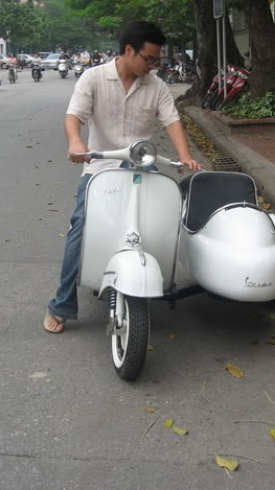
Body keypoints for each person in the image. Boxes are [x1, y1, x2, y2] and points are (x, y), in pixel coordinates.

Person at [44, 21, 203, 334]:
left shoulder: (155, 85)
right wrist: (76, 143)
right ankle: (62, 304)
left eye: (155, 60)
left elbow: (172, 120)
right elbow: (74, 116)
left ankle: (157, 280)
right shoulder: (93, 78)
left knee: (165, 217)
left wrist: (185, 155)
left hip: (142, 168)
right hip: (101, 167)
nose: (152, 65)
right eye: (148, 59)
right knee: (81, 225)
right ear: (129, 51)